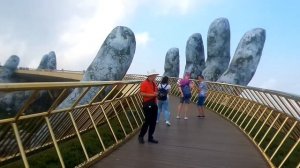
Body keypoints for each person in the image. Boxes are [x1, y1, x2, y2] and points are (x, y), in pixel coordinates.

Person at [138, 70, 159, 144]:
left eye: (155, 76)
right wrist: (153, 95)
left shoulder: (154, 83)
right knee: (147, 121)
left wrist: (157, 94)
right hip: (147, 104)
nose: (155, 77)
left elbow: (155, 92)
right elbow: (142, 93)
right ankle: (141, 136)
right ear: (150, 76)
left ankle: (150, 137)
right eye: (154, 76)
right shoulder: (144, 83)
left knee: (153, 122)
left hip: (154, 104)